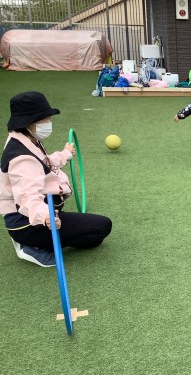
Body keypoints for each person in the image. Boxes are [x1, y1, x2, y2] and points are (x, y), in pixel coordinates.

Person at [1, 91, 112, 268]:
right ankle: (28, 245)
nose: (49, 122)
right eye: (45, 118)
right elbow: (27, 197)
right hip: (28, 222)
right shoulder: (22, 158)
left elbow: (43, 163)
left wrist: (65, 154)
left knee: (94, 237)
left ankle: (38, 239)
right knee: (102, 228)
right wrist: (47, 216)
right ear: (30, 122)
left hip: (34, 214)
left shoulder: (24, 138)